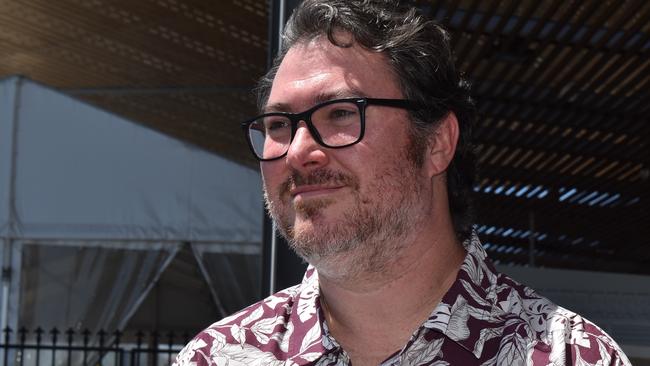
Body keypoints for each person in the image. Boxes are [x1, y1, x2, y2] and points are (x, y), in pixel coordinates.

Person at [174, 1, 630, 365]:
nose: (295, 151)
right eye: (278, 125)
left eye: (340, 114)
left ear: (436, 143)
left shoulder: (571, 356)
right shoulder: (218, 356)